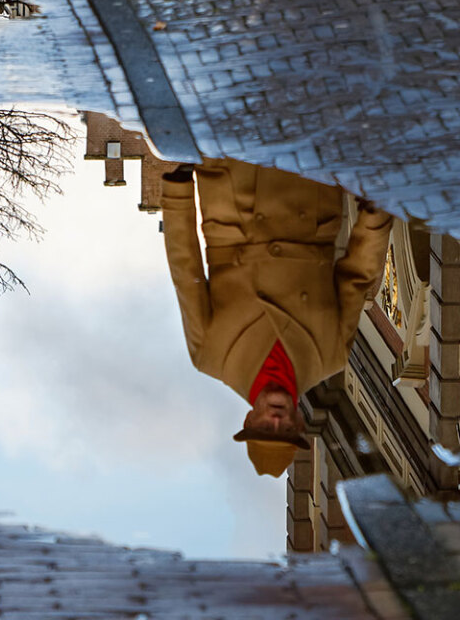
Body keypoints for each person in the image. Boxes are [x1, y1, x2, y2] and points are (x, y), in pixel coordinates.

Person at [160, 158, 393, 479]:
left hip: (234, 197)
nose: (276, 421)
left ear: (249, 420)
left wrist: (178, 196)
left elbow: (186, 275)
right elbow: (357, 278)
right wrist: (375, 219)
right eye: (285, 430)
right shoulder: (330, 356)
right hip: (311, 191)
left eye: (265, 428)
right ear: (298, 423)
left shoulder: (211, 357)